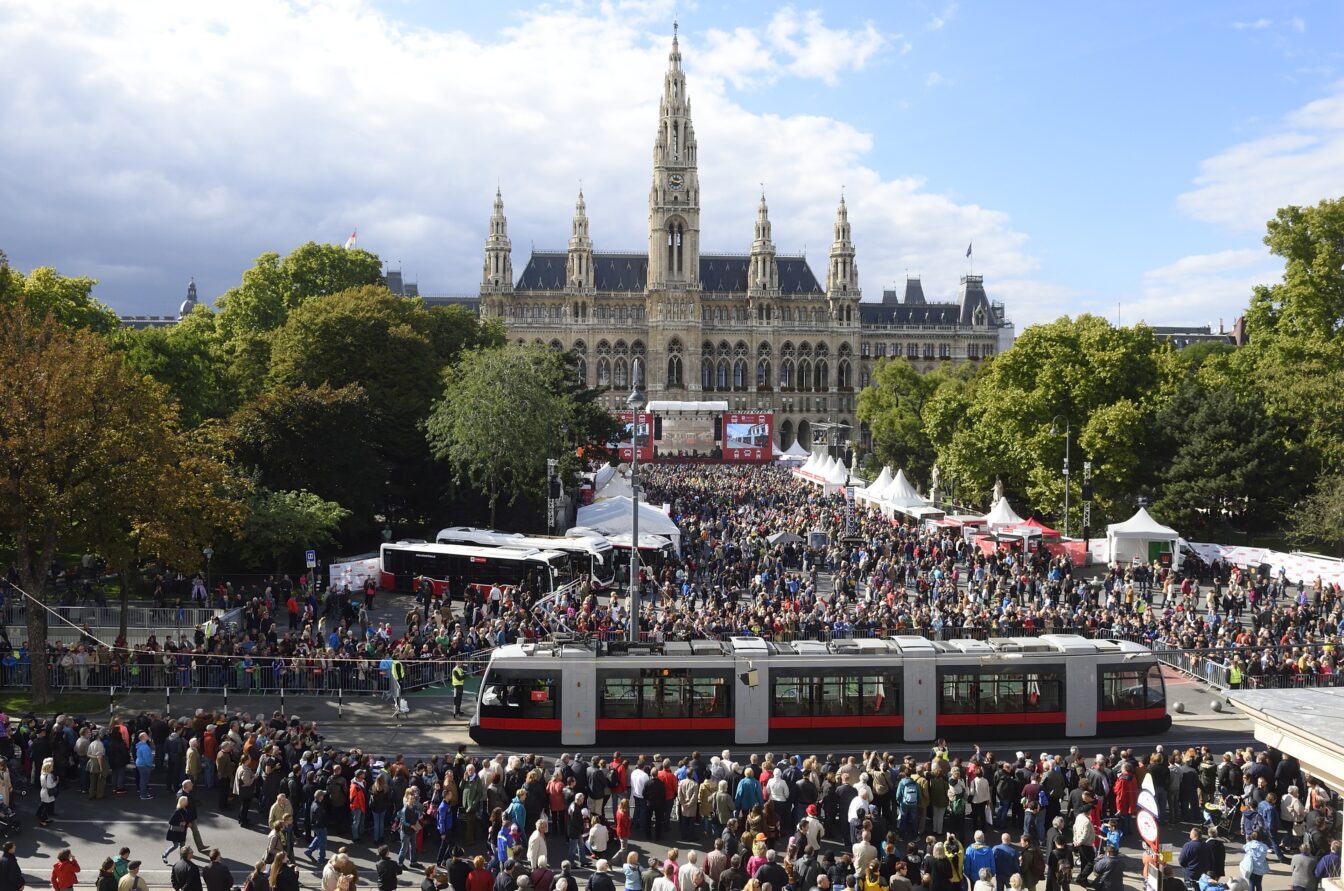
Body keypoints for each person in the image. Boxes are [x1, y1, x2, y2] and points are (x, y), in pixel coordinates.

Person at [165, 797, 192, 863]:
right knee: (175, 846)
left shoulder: (186, 809)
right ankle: (165, 855)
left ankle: (181, 861)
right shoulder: (177, 811)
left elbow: (187, 819)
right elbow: (171, 822)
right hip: (176, 832)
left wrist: (188, 823)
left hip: (182, 831)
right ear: (184, 802)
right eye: (187, 801)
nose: (188, 802)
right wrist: (180, 823)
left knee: (182, 847)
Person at [37, 758, 57, 826]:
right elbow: (49, 786)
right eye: (51, 767)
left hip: (43, 791)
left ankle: (45, 818)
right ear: (48, 768)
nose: (52, 768)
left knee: (44, 805)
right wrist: (55, 783)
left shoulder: (43, 774)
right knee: (47, 807)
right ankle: (42, 820)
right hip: (47, 793)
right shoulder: (48, 776)